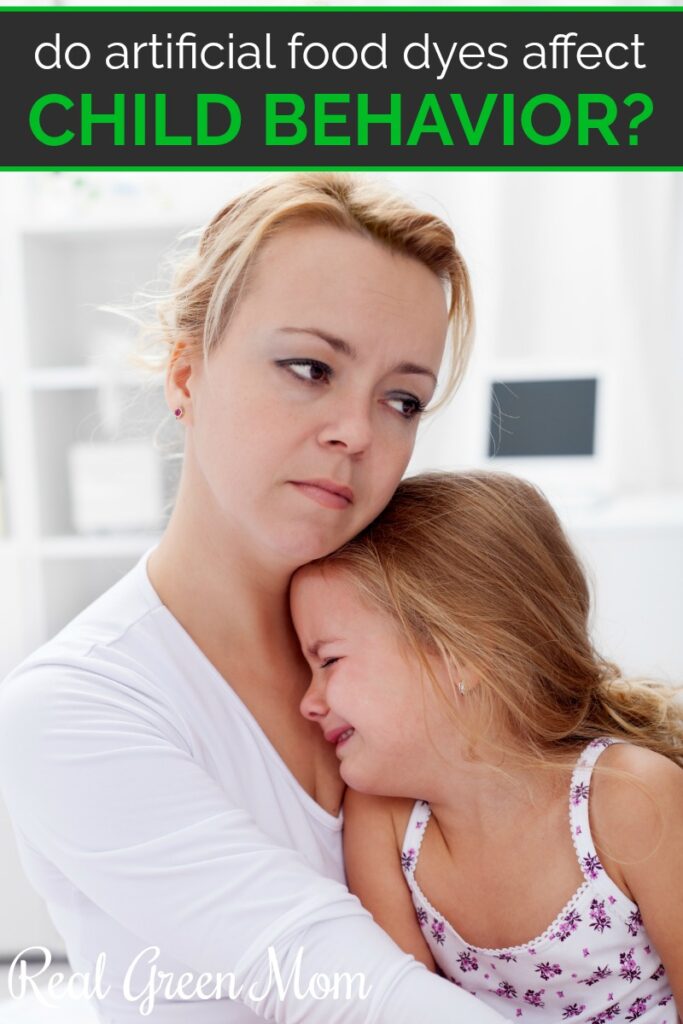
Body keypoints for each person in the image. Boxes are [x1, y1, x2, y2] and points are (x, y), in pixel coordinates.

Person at [0, 174, 511, 1023]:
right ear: (186, 376)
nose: (357, 429)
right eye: (309, 367)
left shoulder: (442, 643)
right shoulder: (72, 709)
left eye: (401, 399)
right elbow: (349, 992)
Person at [292, 470, 683, 1024]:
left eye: (327, 660)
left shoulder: (630, 797)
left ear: (463, 653)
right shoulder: (384, 820)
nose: (308, 701)